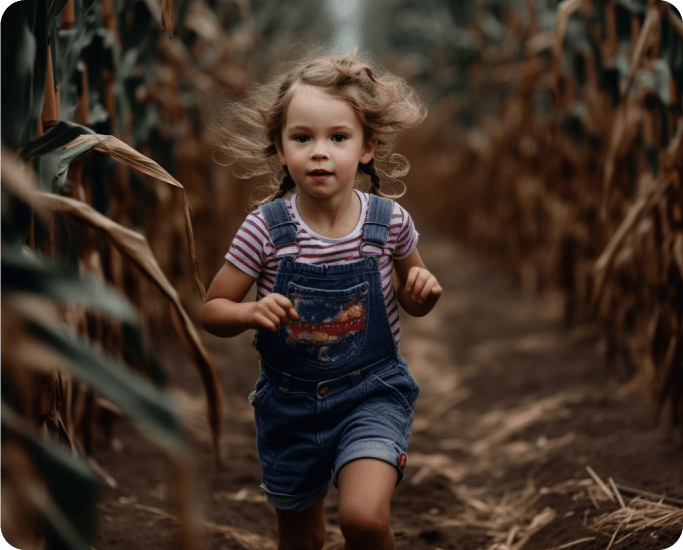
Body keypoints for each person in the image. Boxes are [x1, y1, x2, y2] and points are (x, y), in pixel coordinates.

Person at [202, 52, 442, 550]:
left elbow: (410, 291)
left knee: (363, 519)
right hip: (289, 405)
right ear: (279, 146)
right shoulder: (265, 230)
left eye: (338, 137)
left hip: (372, 392)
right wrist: (248, 312)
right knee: (301, 538)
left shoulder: (388, 223)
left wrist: (420, 291)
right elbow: (212, 310)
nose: (319, 152)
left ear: (367, 147)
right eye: (302, 137)